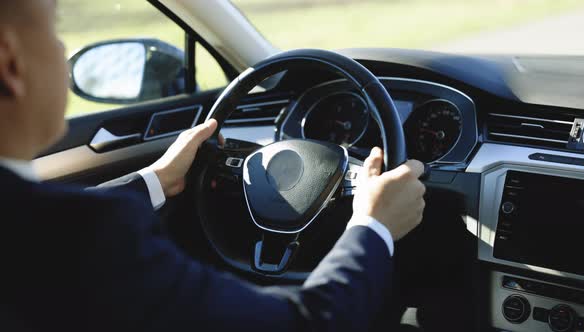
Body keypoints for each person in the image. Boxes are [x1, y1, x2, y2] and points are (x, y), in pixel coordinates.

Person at [0, 1, 426, 331]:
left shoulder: (42, 230)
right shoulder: (90, 239)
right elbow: (306, 323)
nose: (63, 52)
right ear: (10, 62)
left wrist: (156, 179)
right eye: (54, 32)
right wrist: (374, 224)